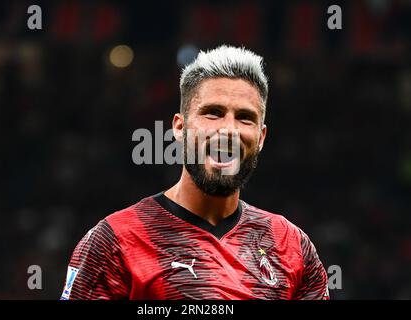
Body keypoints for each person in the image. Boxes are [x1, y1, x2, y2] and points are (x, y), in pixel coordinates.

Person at [60, 45, 329, 300]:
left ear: (261, 137)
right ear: (180, 127)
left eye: (245, 117)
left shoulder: (290, 244)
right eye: (213, 113)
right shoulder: (115, 241)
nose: (228, 131)